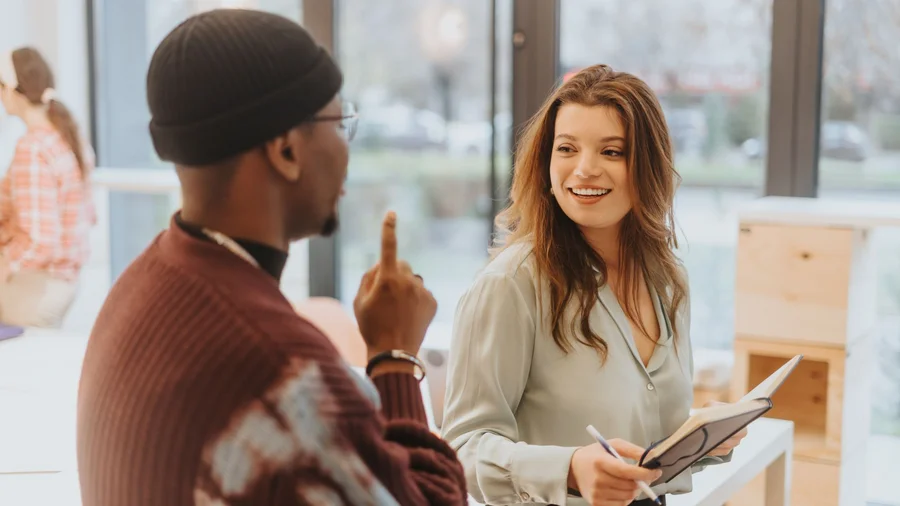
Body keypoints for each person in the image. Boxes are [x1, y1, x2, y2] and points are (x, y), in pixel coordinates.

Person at [77, 9, 467, 506]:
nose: (346, 147)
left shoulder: (143, 279)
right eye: (338, 120)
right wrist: (393, 355)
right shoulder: (283, 370)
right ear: (285, 150)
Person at [440, 65, 746, 506]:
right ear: (546, 163)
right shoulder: (510, 286)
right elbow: (462, 449)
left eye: (612, 152)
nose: (584, 169)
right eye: (567, 148)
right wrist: (568, 470)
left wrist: (704, 439)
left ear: (648, 166)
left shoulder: (667, 280)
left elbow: (645, 449)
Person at [0, 47, 95, 328]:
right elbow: (87, 214)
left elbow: (40, 241)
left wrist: (4, 264)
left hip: (35, 286)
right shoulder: (67, 135)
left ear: (12, 90)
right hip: (63, 280)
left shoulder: (32, 149)